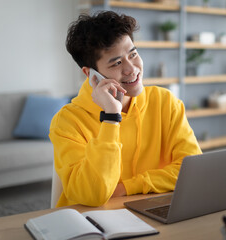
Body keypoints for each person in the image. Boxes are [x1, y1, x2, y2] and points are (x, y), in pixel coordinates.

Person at [49, 11, 202, 207]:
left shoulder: (165, 102)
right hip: (91, 223)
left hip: (150, 210)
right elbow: (92, 195)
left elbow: (193, 170)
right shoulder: (67, 121)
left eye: (133, 54)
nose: (132, 69)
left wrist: (126, 188)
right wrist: (111, 118)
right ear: (91, 75)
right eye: (117, 63)